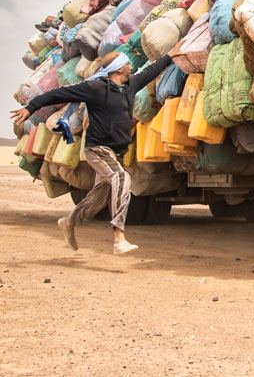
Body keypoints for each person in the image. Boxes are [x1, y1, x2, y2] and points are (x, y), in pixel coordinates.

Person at [11, 53, 175, 255]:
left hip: (115, 153)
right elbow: (59, 94)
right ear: (118, 68)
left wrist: (171, 55)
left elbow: (151, 71)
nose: (131, 66)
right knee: (121, 178)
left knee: (98, 198)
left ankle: (69, 221)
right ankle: (118, 237)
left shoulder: (130, 86)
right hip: (97, 150)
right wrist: (30, 107)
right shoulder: (95, 89)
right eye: (127, 63)